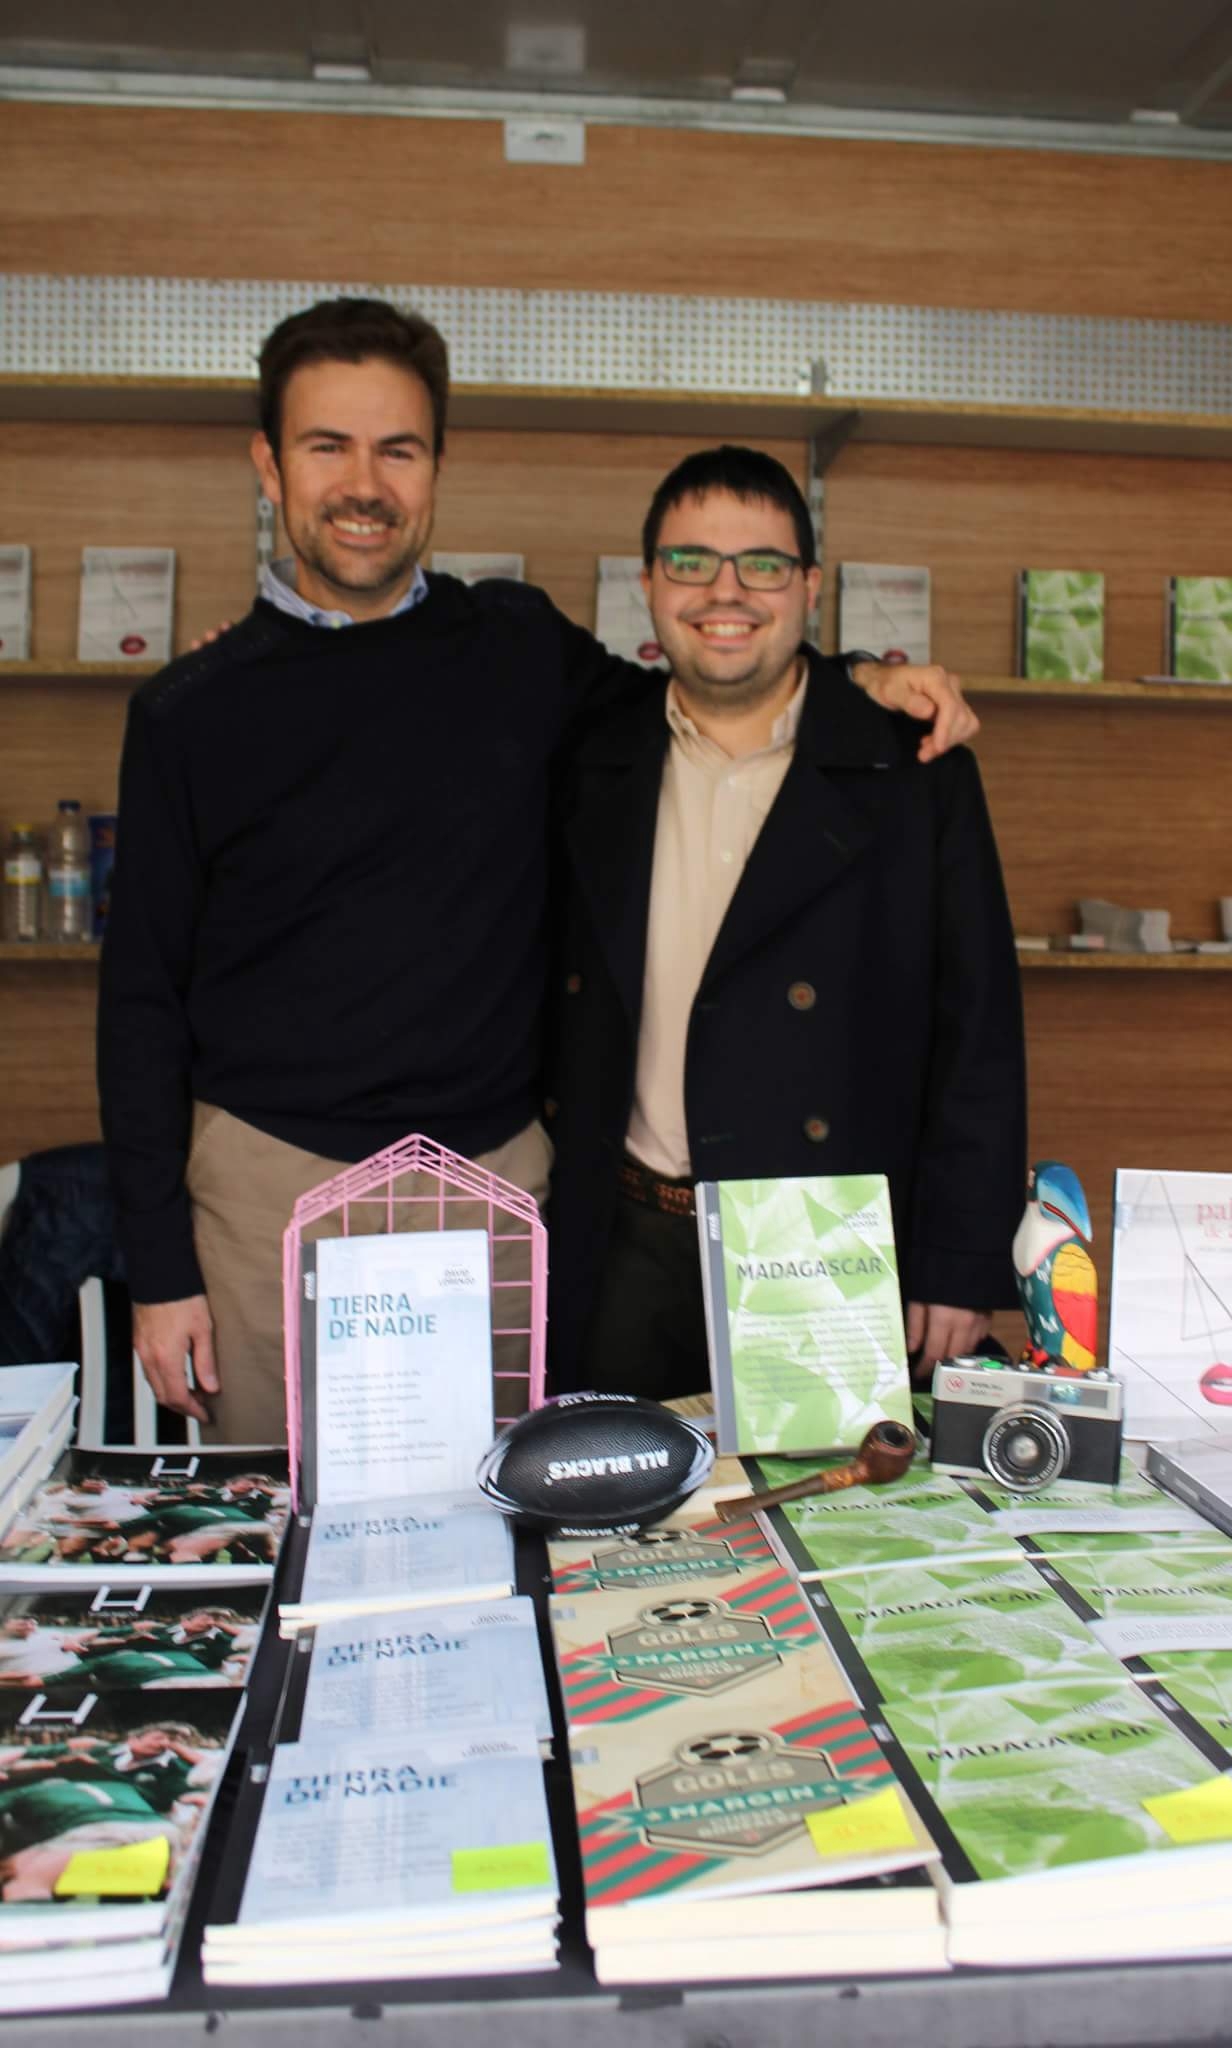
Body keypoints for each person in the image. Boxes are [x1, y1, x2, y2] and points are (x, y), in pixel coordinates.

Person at [97, 295, 980, 1445]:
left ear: (437, 467)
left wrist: (858, 676)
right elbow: (139, 1004)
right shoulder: (188, 712)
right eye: (327, 446)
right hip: (275, 1186)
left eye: (397, 449)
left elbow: (713, 679)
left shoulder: (518, 646)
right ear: (269, 465)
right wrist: (160, 1268)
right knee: (290, 1511)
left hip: (496, 1182)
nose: (364, 484)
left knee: (510, 1502)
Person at [546, 445, 1027, 1400]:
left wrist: (958, 1260)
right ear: (648, 585)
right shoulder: (588, 752)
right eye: (690, 561)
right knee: (618, 1491)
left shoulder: (911, 766)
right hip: (622, 1235)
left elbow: (977, 1030)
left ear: (808, 587)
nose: (724, 591)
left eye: (761, 564)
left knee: (820, 1489)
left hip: (818, 1235)